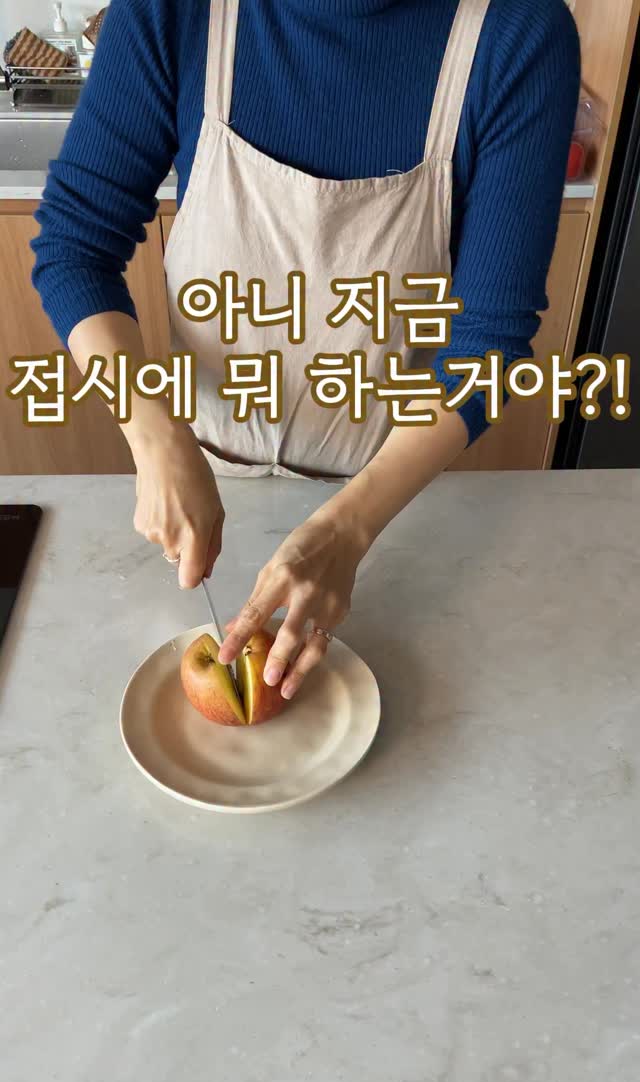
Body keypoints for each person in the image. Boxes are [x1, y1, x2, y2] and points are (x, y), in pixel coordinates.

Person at [31, 0, 580, 698]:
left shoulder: (519, 33)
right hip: (200, 482)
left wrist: (349, 530)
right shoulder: (173, 13)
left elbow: (488, 344)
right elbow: (76, 246)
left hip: (388, 498)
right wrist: (155, 436)